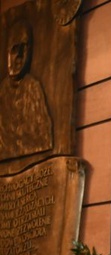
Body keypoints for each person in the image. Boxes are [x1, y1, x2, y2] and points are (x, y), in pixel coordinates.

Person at [0, 19, 53, 162]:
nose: (19, 57)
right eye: (15, 49)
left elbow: (44, 139)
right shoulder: (1, 93)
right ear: (7, 52)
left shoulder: (33, 88)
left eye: (24, 48)